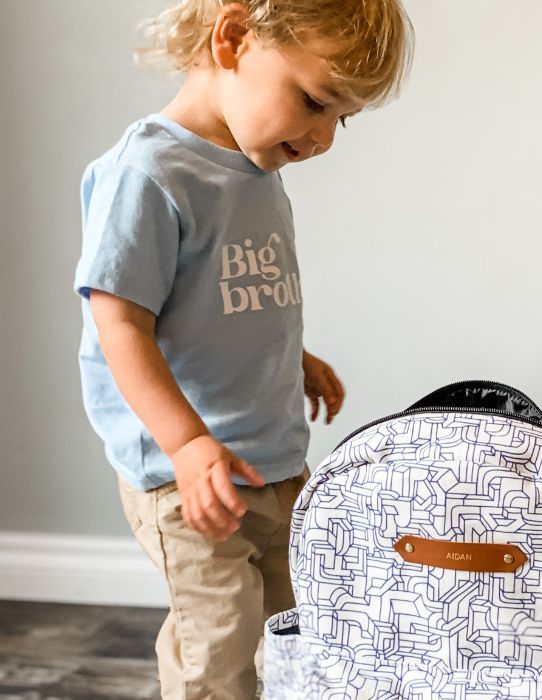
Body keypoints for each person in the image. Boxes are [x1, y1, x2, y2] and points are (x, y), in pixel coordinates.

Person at [73, 1, 413, 697]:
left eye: (339, 119)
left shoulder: (254, 172)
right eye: (314, 102)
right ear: (233, 39)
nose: (323, 137)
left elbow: (223, 301)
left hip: (271, 457)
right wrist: (187, 446)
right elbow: (120, 327)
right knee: (219, 632)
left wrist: (291, 355)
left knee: (287, 625)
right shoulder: (149, 174)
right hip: (186, 473)